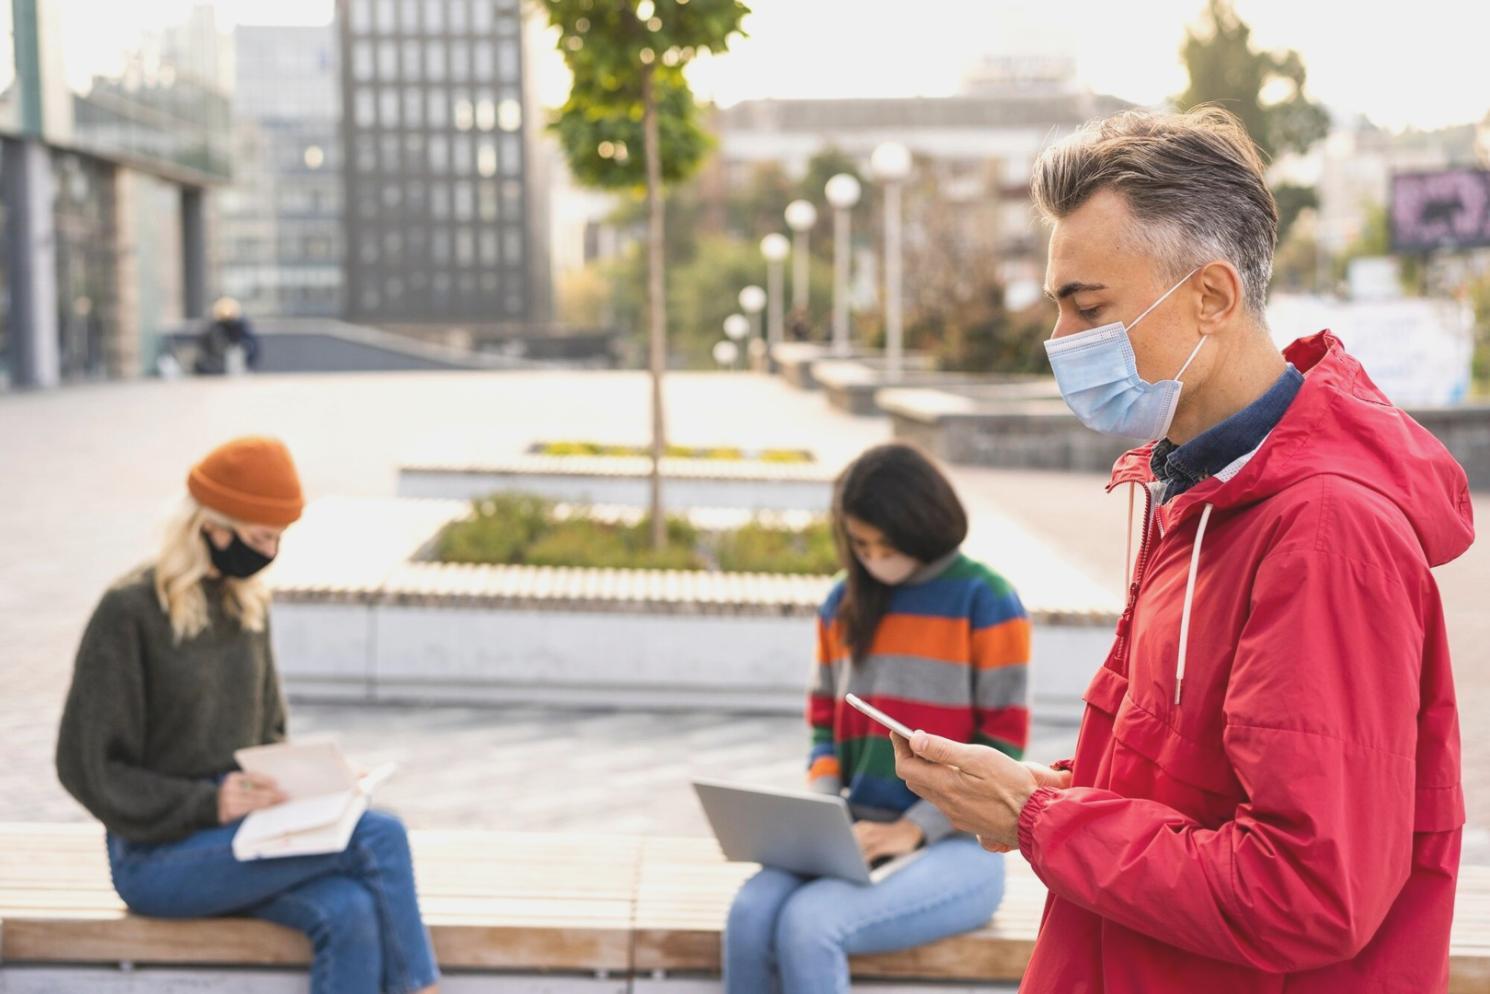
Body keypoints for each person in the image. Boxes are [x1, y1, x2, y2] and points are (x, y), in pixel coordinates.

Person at [894, 106, 1473, 993]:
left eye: (1087, 306)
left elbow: (1305, 890)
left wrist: (1040, 815)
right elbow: (1192, 785)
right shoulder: (1199, 491)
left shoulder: (1324, 531)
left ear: (1211, 296)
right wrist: (1039, 790)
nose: (1061, 341)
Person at [55, 436, 441, 994]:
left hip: (246, 840)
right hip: (156, 858)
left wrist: (323, 783)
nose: (270, 552)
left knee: (350, 909)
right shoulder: (130, 611)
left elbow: (268, 739)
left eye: (280, 538)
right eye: (262, 537)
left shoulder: (245, 606)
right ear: (213, 526)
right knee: (380, 836)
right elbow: (85, 766)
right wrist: (208, 801)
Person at [724, 442, 1032, 993]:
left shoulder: (986, 599)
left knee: (810, 923)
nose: (872, 558)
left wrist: (913, 828)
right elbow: (823, 722)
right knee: (749, 916)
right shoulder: (844, 602)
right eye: (860, 544)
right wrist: (818, 811)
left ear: (922, 525)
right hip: (853, 838)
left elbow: (1002, 747)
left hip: (959, 847)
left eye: (885, 544)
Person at [194, 297, 261, 374]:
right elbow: (205, 346)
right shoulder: (213, 327)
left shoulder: (241, 325)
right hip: (217, 364)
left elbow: (251, 347)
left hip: (237, 361)